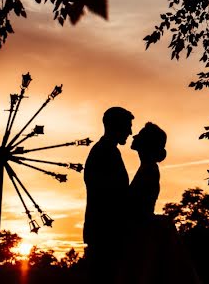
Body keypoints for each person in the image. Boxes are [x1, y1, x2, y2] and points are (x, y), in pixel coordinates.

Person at [124, 122, 201, 284]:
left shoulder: (149, 170)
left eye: (139, 134)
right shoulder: (147, 168)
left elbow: (139, 208)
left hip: (141, 236)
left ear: (146, 143)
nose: (134, 136)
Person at [84, 106, 134, 284]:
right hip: (106, 233)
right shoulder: (105, 152)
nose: (130, 131)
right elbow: (112, 195)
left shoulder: (105, 150)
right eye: (128, 126)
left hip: (104, 232)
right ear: (116, 126)